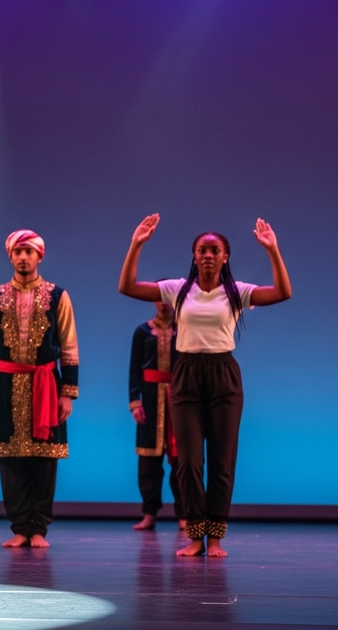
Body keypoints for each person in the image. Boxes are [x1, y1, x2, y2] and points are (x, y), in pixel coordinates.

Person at [118, 214, 291, 557]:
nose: (208, 255)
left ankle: (216, 537)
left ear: (225, 256)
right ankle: (195, 535)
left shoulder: (236, 292)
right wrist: (136, 244)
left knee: (222, 461)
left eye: (215, 250)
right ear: (194, 255)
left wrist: (273, 250)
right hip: (187, 373)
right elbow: (128, 286)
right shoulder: (178, 289)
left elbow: (283, 292)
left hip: (223, 372)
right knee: (189, 462)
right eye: (202, 250)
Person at [0, 230, 79, 549]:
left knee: (44, 461)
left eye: (28, 252)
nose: (23, 257)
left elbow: (69, 345)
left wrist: (67, 392)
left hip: (46, 383)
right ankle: (20, 527)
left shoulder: (57, 296)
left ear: (39, 256)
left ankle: (39, 530)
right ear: (10, 256)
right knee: (11, 460)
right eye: (17, 252)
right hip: (5, 383)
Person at [128, 300, 185, 531]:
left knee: (182, 462)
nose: (163, 303)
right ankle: (149, 513)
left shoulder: (183, 330)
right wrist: (135, 402)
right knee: (148, 463)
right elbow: (135, 369)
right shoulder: (143, 331)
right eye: (159, 297)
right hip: (150, 400)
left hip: (178, 400)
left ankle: (184, 514)